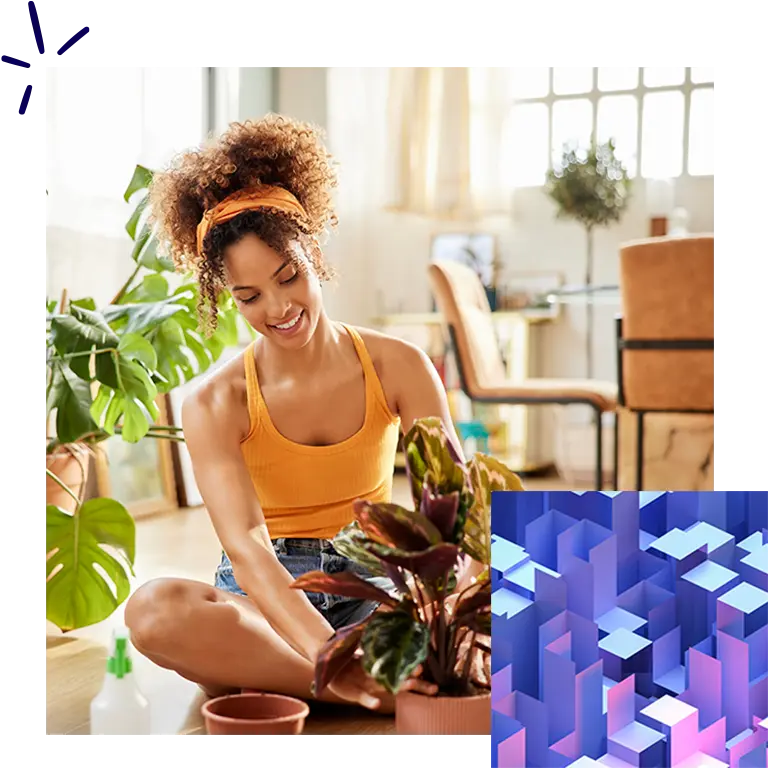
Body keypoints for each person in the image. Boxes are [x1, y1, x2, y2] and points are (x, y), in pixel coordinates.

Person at [124, 114, 469, 713]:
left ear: (313, 250)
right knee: (154, 611)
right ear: (225, 296)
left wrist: (446, 617)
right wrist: (332, 656)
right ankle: (369, 688)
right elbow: (248, 549)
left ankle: (281, 682)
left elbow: (450, 513)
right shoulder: (214, 402)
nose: (279, 308)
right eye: (249, 296)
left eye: (289, 277)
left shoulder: (400, 366)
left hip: (374, 588)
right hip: (264, 602)